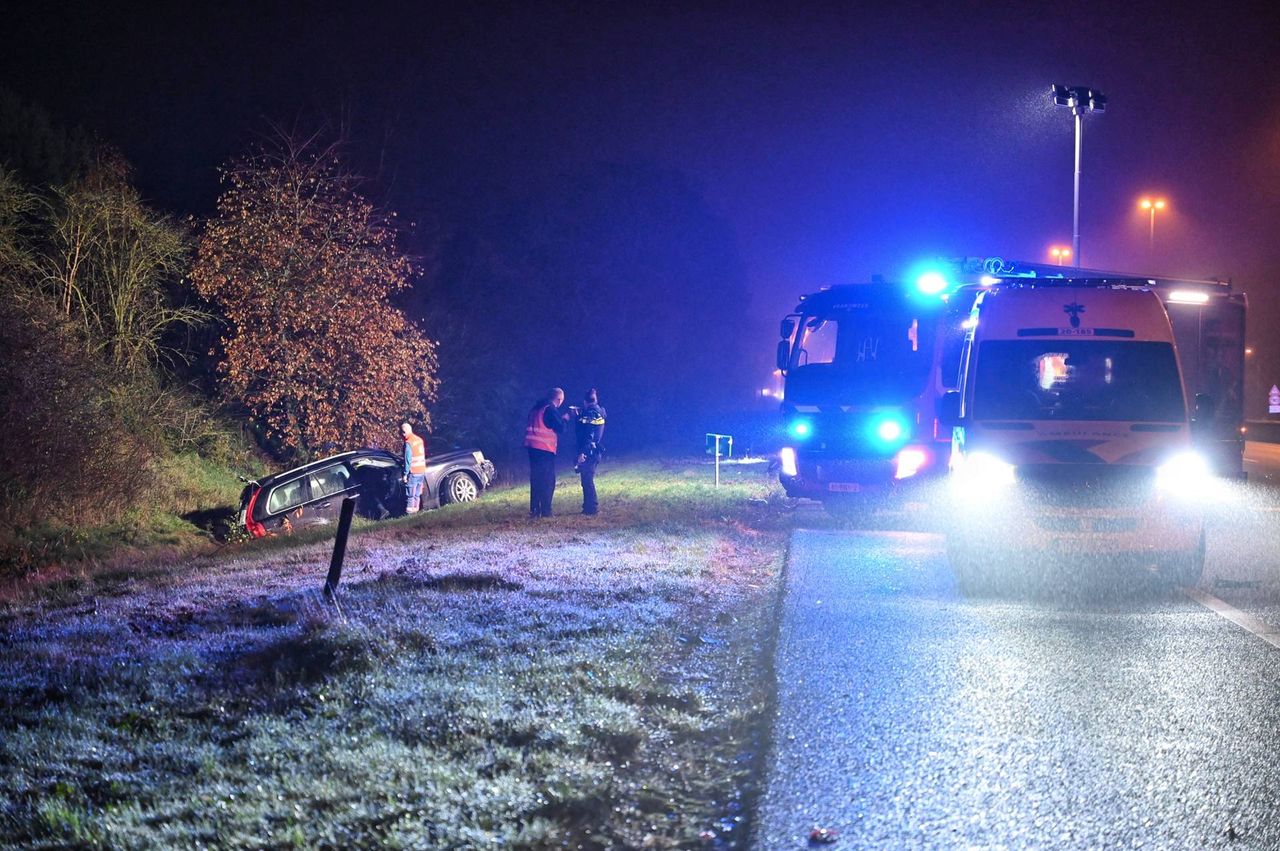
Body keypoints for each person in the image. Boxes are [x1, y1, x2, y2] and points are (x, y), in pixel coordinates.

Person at [523, 387, 569, 518]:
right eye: (561, 401)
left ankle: (535, 509)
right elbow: (560, 428)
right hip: (544, 449)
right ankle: (546, 511)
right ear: (559, 399)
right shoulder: (550, 409)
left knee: (536, 479)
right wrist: (565, 419)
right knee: (547, 480)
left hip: (532, 448)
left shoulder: (535, 408)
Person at [573, 388, 607, 515]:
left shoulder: (591, 414)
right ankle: (588, 507)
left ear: (585, 401)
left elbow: (588, 435)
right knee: (586, 478)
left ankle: (592, 508)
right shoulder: (597, 412)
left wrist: (583, 453)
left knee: (587, 479)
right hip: (594, 450)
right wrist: (578, 417)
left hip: (589, 451)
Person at [401, 422, 428, 514]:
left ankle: (409, 514)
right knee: (417, 494)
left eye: (403, 432)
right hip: (422, 470)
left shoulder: (409, 442)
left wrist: (405, 474)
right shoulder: (419, 440)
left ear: (405, 432)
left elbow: (407, 460)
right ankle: (416, 511)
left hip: (413, 471)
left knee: (410, 494)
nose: (402, 434)